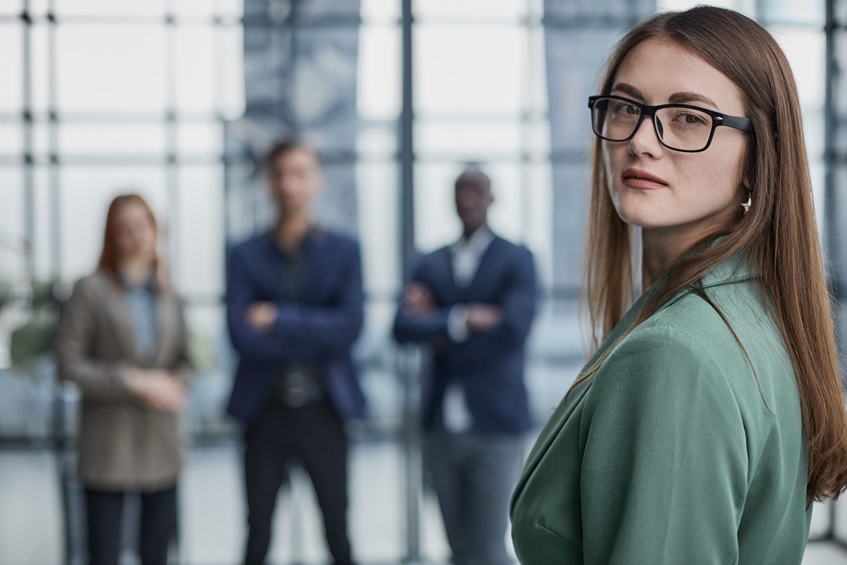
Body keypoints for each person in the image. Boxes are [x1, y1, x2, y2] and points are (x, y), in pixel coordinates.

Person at [509, 6, 847, 564]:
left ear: (757, 159)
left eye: (690, 117)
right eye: (625, 107)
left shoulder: (673, 356)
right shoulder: (752, 306)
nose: (642, 139)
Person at [226, 137, 365, 565]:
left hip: (325, 409)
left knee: (338, 532)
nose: (290, 185)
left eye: (299, 174)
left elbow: (348, 328)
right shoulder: (244, 254)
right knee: (257, 533)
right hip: (264, 410)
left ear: (317, 182)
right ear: (268, 183)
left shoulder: (344, 251)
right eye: (281, 174)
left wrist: (278, 319)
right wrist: (312, 327)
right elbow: (241, 336)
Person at [394, 167, 538, 565]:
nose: (468, 199)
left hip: (495, 426)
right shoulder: (430, 262)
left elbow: (513, 329)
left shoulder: (516, 259)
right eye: (460, 191)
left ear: (492, 198)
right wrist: (463, 319)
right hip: (441, 428)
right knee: (459, 550)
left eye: (476, 191)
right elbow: (403, 327)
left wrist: (438, 325)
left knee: (490, 549)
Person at [56, 194, 193, 565]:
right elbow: (68, 365)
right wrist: (133, 380)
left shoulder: (170, 294)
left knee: (157, 551)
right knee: (104, 551)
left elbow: (186, 360)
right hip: (107, 445)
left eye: (144, 226)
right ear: (111, 236)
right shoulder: (90, 290)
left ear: (156, 230)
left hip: (161, 443)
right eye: (126, 228)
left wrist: (174, 384)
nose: (137, 236)